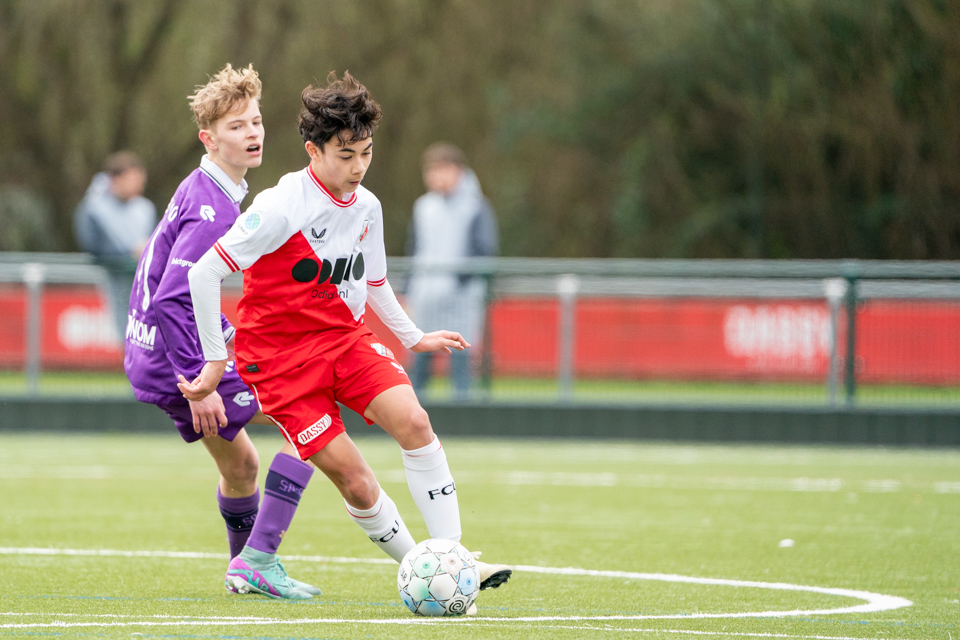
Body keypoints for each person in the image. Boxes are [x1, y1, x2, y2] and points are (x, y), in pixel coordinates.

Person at [178, 72, 512, 606]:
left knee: (416, 421)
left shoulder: (368, 206)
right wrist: (216, 363)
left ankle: (454, 558)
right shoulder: (281, 206)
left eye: (366, 152)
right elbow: (202, 274)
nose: (358, 167)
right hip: (281, 362)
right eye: (345, 155)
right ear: (313, 150)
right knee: (355, 481)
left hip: (344, 340)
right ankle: (424, 569)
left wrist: (414, 335)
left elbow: (374, 281)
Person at [123, 63, 319, 597]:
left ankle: (244, 572)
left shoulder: (210, 188)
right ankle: (256, 562)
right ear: (209, 139)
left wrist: (225, 340)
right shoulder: (212, 207)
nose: (252, 133)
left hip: (153, 350)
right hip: (174, 359)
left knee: (244, 465)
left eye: (255, 121)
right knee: (311, 417)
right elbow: (172, 296)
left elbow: (174, 288)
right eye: (236, 126)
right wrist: (200, 380)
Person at [406, 143, 499, 399]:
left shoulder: (476, 207)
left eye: (443, 169)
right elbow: (413, 249)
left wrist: (458, 282)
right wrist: (409, 291)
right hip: (425, 298)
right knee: (419, 363)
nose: (437, 176)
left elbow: (484, 251)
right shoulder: (422, 207)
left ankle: (463, 414)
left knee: (461, 362)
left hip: (461, 299)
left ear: (459, 171)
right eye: (432, 170)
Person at [74, 151, 157, 338]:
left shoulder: (144, 208)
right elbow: (91, 245)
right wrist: (127, 254)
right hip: (111, 278)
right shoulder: (94, 209)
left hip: (141, 280)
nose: (139, 186)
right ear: (117, 179)